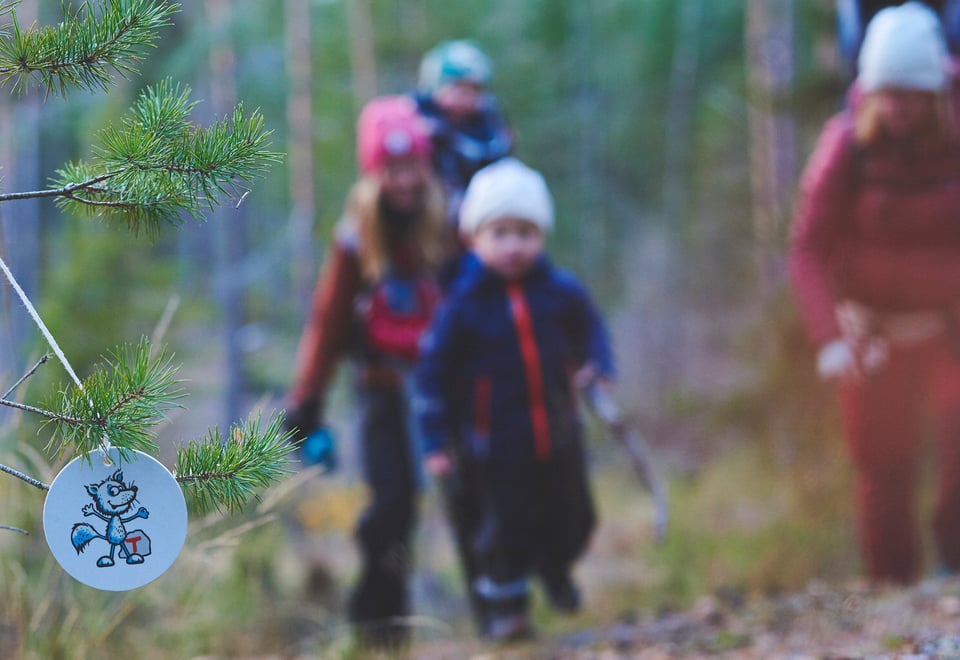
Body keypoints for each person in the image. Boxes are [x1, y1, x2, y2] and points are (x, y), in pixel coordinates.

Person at [789, 2, 960, 584]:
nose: (896, 108)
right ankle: (891, 587)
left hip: (947, 329)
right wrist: (829, 338)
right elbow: (808, 248)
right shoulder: (845, 143)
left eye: (909, 95)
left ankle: (954, 568)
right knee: (882, 466)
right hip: (871, 332)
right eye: (886, 93)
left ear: (934, 92)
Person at [414, 158, 615, 640]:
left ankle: (554, 567)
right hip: (495, 446)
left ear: (542, 236)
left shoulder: (561, 292)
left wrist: (598, 366)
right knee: (503, 531)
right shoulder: (463, 306)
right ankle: (509, 615)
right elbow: (433, 375)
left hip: (559, 433)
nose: (513, 246)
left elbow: (592, 329)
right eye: (500, 233)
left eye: (525, 233)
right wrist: (436, 442)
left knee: (575, 516)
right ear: (473, 238)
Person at [283, 95, 446, 646]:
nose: (404, 181)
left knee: (471, 499)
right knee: (392, 504)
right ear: (374, 172)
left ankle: (501, 608)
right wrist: (306, 400)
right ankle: (380, 628)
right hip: (381, 388)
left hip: (446, 391)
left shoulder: (448, 221)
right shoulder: (357, 236)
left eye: (412, 167)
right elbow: (328, 321)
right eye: (392, 169)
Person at [413, 39, 514, 235]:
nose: (467, 96)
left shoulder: (491, 127)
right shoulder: (418, 124)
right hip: (429, 219)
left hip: (480, 220)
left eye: (474, 88)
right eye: (459, 87)